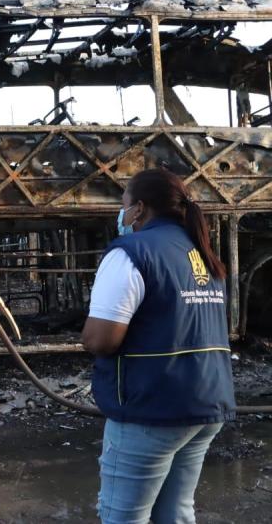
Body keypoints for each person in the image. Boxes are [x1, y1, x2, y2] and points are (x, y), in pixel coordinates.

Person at [82, 169, 236, 524]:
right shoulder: (201, 253)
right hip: (206, 401)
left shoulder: (132, 252)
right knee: (175, 512)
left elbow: (101, 339)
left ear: (139, 209)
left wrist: (87, 332)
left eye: (124, 205)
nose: (121, 215)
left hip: (152, 406)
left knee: (123, 516)